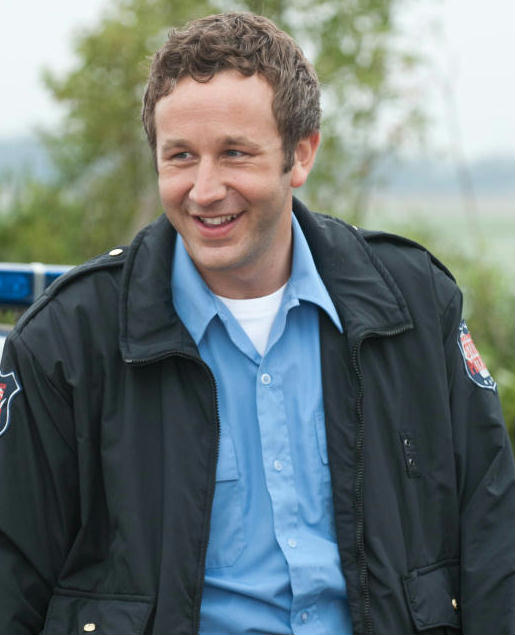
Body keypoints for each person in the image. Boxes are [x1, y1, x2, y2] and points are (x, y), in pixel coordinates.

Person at [0, 11, 513, 635]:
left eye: (234, 154)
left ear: (301, 155)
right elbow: (12, 578)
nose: (204, 190)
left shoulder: (416, 304)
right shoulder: (66, 343)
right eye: (180, 156)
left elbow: (494, 533)